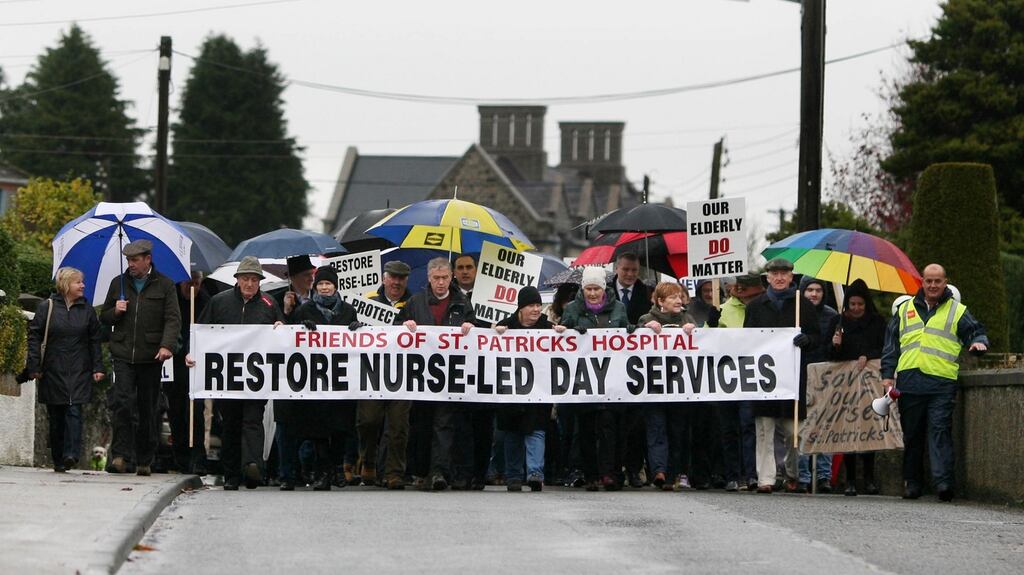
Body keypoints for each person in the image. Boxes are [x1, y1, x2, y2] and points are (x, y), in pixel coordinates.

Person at [881, 264, 988, 501]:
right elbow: (891, 346)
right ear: (922, 282)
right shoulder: (904, 309)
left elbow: (976, 331)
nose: (932, 285)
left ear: (945, 282)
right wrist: (887, 376)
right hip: (909, 381)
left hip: (941, 382)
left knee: (939, 431)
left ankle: (943, 484)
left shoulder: (957, 310)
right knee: (912, 434)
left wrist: (979, 343)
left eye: (937, 281)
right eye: (928, 281)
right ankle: (912, 483)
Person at [186, 256, 284, 490]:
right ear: (237, 280)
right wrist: (192, 354)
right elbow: (201, 333)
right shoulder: (219, 302)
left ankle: (252, 466)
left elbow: (283, 333)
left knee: (252, 421)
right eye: (245, 279)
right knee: (230, 424)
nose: (249, 283)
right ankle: (231, 475)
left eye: (253, 279)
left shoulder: (270, 304)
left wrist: (281, 326)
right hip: (226, 378)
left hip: (256, 378)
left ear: (260, 281)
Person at [100, 239, 181, 476]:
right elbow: (104, 317)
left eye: (135, 260)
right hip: (123, 354)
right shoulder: (118, 284)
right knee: (122, 404)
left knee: (148, 409)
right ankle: (120, 456)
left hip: (151, 356)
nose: (131, 264)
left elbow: (173, 319)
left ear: (148, 260)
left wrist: (167, 345)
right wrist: (115, 311)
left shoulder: (165, 285)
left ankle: (145, 458)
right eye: (128, 260)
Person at [393, 257, 476, 491]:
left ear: (451, 278)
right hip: (420, 378)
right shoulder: (415, 302)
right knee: (421, 424)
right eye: (436, 278)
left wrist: (470, 327)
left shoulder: (462, 303)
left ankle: (440, 471)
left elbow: (475, 332)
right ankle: (420, 471)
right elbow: (394, 329)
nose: (441, 283)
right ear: (429, 278)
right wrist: (404, 325)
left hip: (450, 376)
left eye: (445, 278)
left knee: (445, 424)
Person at [277, 266, 359, 491]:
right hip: (316, 380)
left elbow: (358, 343)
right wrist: (300, 326)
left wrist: (357, 330)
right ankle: (323, 472)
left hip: (341, 380)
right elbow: (289, 335)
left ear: (335, 286)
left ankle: (336, 467)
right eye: (320, 284)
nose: (324, 288)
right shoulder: (306, 310)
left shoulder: (348, 311)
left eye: (328, 284)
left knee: (341, 427)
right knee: (319, 429)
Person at [742, 258, 819, 494]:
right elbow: (747, 341)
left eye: (783, 274)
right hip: (765, 380)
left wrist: (808, 340)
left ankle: (792, 473)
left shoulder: (802, 306)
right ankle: (765, 478)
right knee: (764, 431)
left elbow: (817, 337)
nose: (779, 278)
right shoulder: (756, 306)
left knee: (795, 432)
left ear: (791, 276)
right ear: (767, 277)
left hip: (792, 379)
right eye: (775, 274)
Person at [25, 267, 104, 472]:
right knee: (56, 414)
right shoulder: (47, 307)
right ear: (66, 284)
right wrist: (33, 366)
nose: (83, 286)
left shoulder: (87, 311)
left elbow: (95, 340)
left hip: (79, 369)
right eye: (78, 282)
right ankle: (58, 458)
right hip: (52, 369)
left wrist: (98, 366)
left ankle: (71, 454)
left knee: (74, 409)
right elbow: (34, 337)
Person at [559, 266, 630, 491]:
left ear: (603, 288)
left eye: (596, 288)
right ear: (583, 289)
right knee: (586, 429)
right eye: (588, 288)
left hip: (610, 379)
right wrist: (567, 331)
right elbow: (563, 334)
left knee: (609, 428)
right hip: (583, 379)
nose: (592, 293)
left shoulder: (618, 308)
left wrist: (638, 330)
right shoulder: (572, 309)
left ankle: (609, 473)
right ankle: (590, 475)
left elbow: (626, 330)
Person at [493, 286, 555, 491]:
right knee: (513, 432)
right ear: (521, 308)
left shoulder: (548, 328)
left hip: (538, 390)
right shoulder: (506, 327)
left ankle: (535, 474)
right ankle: (514, 475)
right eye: (531, 305)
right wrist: (497, 331)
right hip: (512, 390)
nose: (536, 309)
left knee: (536, 431)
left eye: (538, 305)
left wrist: (563, 332)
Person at [828, 279, 886, 496]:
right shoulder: (838, 322)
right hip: (845, 386)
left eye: (860, 304)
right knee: (848, 431)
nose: (856, 308)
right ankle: (850, 479)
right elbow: (830, 356)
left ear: (866, 304)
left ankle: (869, 478)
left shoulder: (878, 322)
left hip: (870, 385)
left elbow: (884, 347)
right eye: (852, 304)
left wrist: (867, 356)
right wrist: (836, 344)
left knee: (870, 429)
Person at [706, 272, 763, 491]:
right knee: (728, 427)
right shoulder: (723, 310)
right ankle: (732, 474)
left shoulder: (761, 308)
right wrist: (711, 324)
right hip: (726, 376)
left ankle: (750, 474)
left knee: (748, 426)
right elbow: (705, 342)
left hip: (752, 375)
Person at [637, 282, 697, 491]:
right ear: (660, 301)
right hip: (653, 386)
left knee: (677, 431)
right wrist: (643, 331)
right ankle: (659, 471)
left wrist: (694, 332)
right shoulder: (646, 319)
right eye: (672, 297)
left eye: (679, 296)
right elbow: (633, 347)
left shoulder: (687, 319)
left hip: (680, 387)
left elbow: (702, 348)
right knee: (656, 430)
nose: (678, 301)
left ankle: (674, 472)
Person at [166, 271, 210, 474]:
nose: (193, 288)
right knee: (176, 411)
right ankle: (180, 456)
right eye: (189, 284)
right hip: (175, 363)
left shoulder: (206, 301)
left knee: (196, 412)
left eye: (197, 284)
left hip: (197, 364)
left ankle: (198, 457)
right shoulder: (171, 297)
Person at [797, 275, 838, 493]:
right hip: (799, 375)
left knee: (824, 426)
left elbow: (835, 353)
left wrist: (836, 344)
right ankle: (803, 475)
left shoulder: (832, 316)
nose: (814, 294)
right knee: (802, 426)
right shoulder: (795, 313)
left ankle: (824, 475)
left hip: (824, 376)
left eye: (818, 290)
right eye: (809, 290)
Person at [275, 255, 316, 322]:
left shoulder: (319, 297)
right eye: (306, 275)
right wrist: (286, 312)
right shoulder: (277, 300)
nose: (311, 278)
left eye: (312, 274)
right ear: (292, 277)